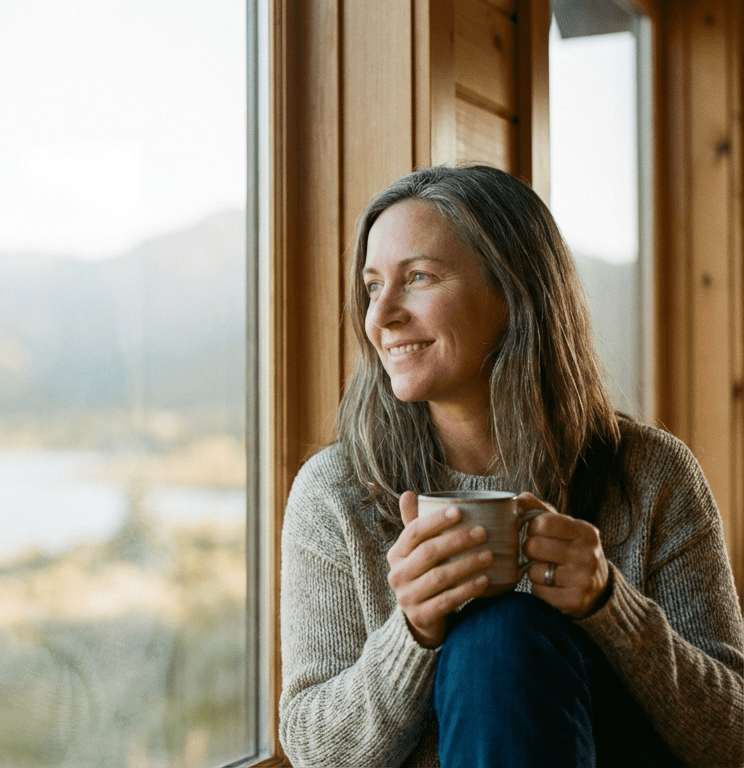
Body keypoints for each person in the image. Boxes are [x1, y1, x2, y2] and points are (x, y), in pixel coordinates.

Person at [278, 164, 744, 767]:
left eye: (417, 277)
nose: (381, 316)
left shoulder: (652, 474)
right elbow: (316, 753)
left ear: (514, 292)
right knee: (498, 639)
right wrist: (412, 633)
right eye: (372, 286)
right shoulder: (336, 493)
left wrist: (611, 607)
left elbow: (734, 740)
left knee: (504, 639)